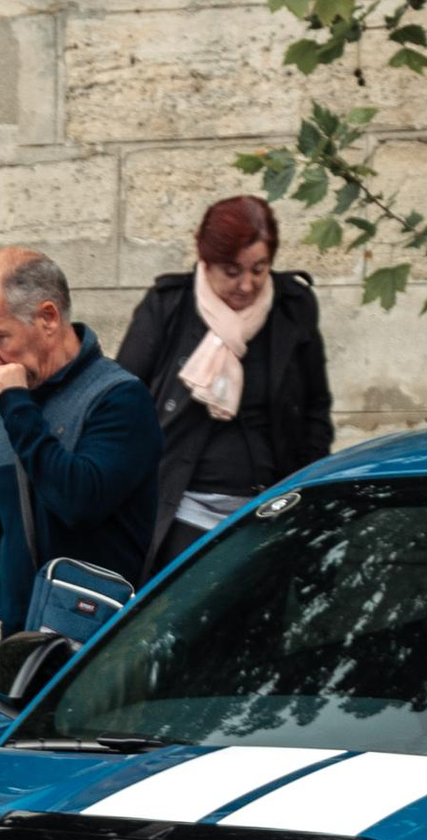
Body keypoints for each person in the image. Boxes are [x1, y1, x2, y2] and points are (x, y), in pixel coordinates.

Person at [0, 246, 161, 686]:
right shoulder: (11, 411)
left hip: (99, 663)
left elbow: (76, 499)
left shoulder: (120, 400)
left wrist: (15, 405)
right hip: (17, 661)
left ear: (48, 318)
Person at [117, 194, 335, 567]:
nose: (247, 285)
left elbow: (316, 408)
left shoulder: (293, 306)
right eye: (231, 271)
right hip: (181, 514)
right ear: (205, 260)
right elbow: (121, 401)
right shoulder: (169, 306)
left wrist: (305, 489)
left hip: (271, 511)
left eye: (259, 269)